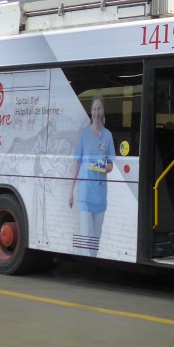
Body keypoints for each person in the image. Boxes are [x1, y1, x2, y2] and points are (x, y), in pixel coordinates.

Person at [70, 96, 115, 257]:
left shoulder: (108, 136)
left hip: (100, 193)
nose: (96, 112)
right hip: (85, 192)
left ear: (103, 111)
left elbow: (110, 164)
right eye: (94, 109)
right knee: (86, 233)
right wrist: (71, 189)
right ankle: (85, 261)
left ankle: (93, 260)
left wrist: (105, 169)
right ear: (91, 112)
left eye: (99, 109)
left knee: (96, 234)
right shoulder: (84, 135)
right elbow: (77, 163)